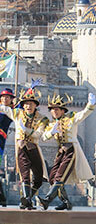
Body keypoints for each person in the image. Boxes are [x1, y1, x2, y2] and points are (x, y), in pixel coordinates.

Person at [38, 93, 95, 210]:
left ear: (63, 110)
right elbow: (43, 137)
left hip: (71, 150)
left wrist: (91, 104)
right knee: (52, 178)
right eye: (52, 110)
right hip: (60, 152)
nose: (54, 112)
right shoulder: (51, 124)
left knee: (59, 177)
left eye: (57, 109)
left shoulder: (71, 118)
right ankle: (66, 202)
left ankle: (47, 200)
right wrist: (51, 132)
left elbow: (83, 114)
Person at [0, 82, 49, 210]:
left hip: (34, 148)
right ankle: (27, 200)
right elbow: (4, 108)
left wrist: (26, 130)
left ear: (35, 106)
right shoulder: (17, 114)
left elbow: (38, 134)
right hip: (21, 147)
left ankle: (28, 198)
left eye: (31, 104)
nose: (29, 106)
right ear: (23, 105)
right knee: (25, 175)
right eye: (26, 104)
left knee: (39, 177)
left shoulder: (42, 119)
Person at [0, 88, 16, 206]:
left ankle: (2, 197)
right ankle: (2, 197)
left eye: (8, 97)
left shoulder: (11, 112)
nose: (5, 99)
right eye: (3, 97)